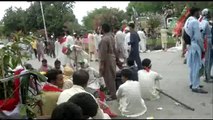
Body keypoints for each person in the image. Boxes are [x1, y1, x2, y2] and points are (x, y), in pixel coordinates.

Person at [184, 7, 208, 93]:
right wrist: (203, 48)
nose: (200, 14)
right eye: (199, 13)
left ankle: (192, 83)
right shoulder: (195, 22)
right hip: (195, 45)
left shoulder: (188, 20)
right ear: (195, 13)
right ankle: (195, 86)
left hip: (190, 45)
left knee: (192, 66)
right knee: (197, 67)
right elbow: (198, 38)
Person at [98, 23, 117, 100]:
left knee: (108, 77)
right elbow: (115, 49)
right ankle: (112, 93)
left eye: (100, 28)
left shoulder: (104, 39)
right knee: (112, 76)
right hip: (112, 58)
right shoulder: (111, 37)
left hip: (107, 59)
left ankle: (112, 95)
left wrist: (102, 64)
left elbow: (103, 53)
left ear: (103, 29)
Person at [199, 8, 213, 82]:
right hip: (207, 40)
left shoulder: (206, 21)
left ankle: (207, 74)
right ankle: (207, 77)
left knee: (209, 59)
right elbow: (201, 31)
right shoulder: (204, 22)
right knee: (207, 59)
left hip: (208, 40)